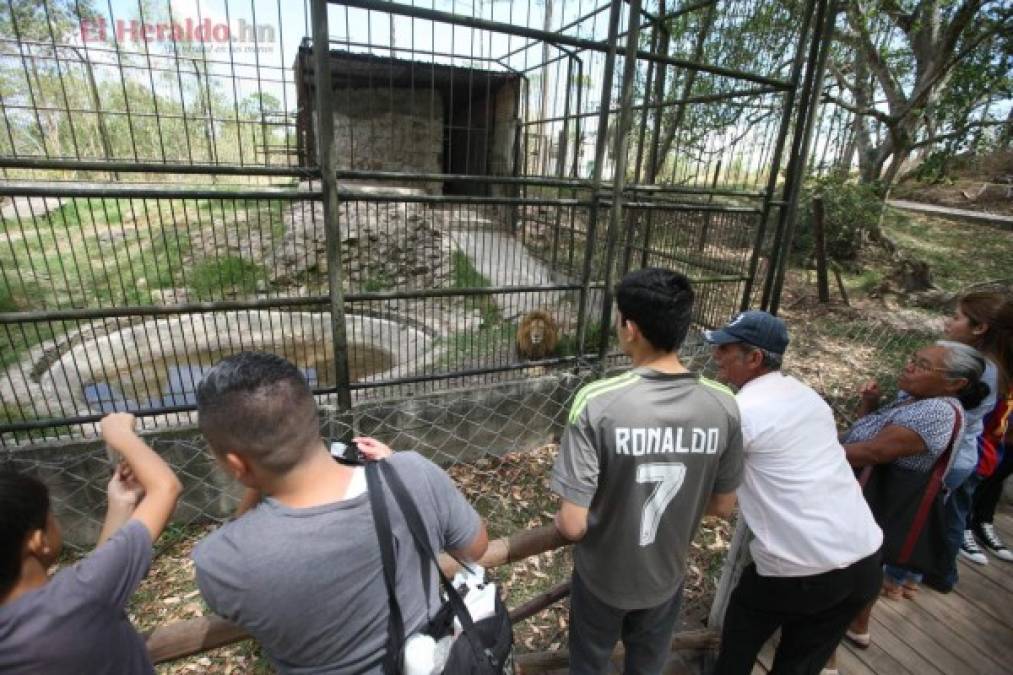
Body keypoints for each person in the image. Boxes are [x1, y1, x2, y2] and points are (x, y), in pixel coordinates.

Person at [191, 351, 489, 673]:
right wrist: (396, 469)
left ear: (236, 464)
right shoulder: (413, 473)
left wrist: (256, 478)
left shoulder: (221, 560)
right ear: (312, 419)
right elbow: (475, 547)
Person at [550, 268, 743, 675]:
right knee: (649, 664)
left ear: (630, 327)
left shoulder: (598, 401)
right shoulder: (723, 403)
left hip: (602, 578)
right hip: (666, 574)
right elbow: (723, 506)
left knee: (590, 662)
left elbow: (572, 525)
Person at [705, 311, 883, 675]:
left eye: (724, 349)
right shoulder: (808, 397)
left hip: (800, 571)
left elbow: (716, 498)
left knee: (738, 643)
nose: (716, 357)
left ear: (754, 359)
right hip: (864, 557)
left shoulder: (742, 413)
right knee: (801, 665)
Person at [0, 412, 183, 673]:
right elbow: (166, 488)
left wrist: (122, 503)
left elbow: (94, 577)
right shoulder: (83, 596)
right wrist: (119, 434)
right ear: (38, 541)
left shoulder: (78, 597)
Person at [841, 341, 988, 647]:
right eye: (913, 358)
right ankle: (858, 627)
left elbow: (875, 450)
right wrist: (871, 403)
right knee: (868, 565)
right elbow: (870, 433)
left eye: (922, 365)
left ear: (956, 383)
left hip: (878, 502)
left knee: (846, 572)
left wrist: (809, 451)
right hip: (877, 501)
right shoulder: (916, 399)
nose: (909, 366)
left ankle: (825, 657)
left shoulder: (937, 411)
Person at [953, 292, 1013, 566]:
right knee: (958, 503)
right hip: (978, 444)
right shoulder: (985, 363)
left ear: (980, 328)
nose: (949, 322)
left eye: (956, 317)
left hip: (981, 445)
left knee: (954, 510)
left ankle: (978, 524)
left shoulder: (986, 366)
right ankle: (965, 528)